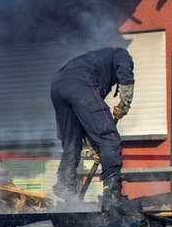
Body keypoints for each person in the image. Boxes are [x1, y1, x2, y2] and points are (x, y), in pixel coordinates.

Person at [49, 46, 134, 211]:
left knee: (71, 144)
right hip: (80, 84)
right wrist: (126, 100)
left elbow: (88, 122)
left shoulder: (90, 60)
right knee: (110, 138)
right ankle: (112, 195)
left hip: (57, 87)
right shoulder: (119, 52)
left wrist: (95, 148)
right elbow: (125, 68)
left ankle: (66, 189)